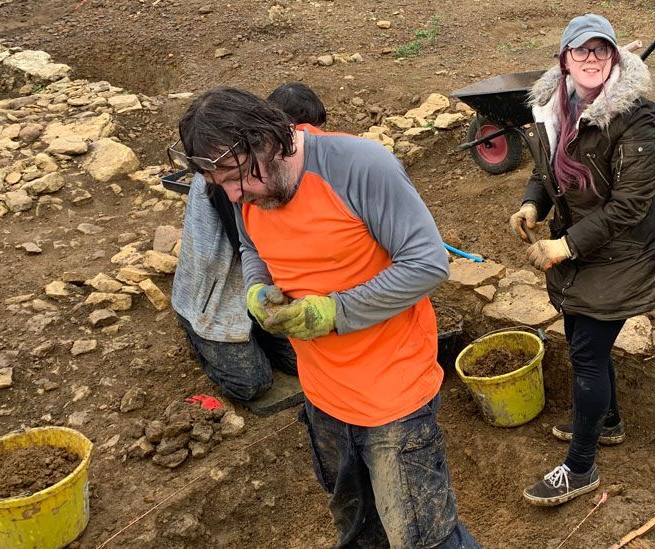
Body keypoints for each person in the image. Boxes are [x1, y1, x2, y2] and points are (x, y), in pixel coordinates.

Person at [175, 86, 477, 548]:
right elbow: (252, 246)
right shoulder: (243, 189)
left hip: (392, 396)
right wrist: (257, 287)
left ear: (269, 143)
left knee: (423, 537)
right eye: (220, 183)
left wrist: (333, 311)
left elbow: (427, 263)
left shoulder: (358, 166)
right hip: (321, 395)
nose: (233, 194)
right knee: (356, 527)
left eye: (237, 177)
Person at [509, 14, 655, 506]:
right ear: (565, 59)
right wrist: (533, 203)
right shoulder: (554, 107)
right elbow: (547, 166)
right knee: (582, 338)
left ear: (615, 57)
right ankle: (610, 422)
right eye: (582, 51)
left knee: (585, 353)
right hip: (581, 242)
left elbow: (630, 205)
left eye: (602, 50)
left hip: (622, 249)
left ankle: (580, 467)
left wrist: (565, 245)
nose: (592, 59)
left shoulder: (638, 117)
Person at [170, 170, 300, 415]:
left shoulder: (277, 164)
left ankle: (257, 334)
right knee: (251, 384)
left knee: (305, 363)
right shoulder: (225, 177)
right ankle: (196, 330)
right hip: (215, 295)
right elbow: (247, 244)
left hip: (263, 288)